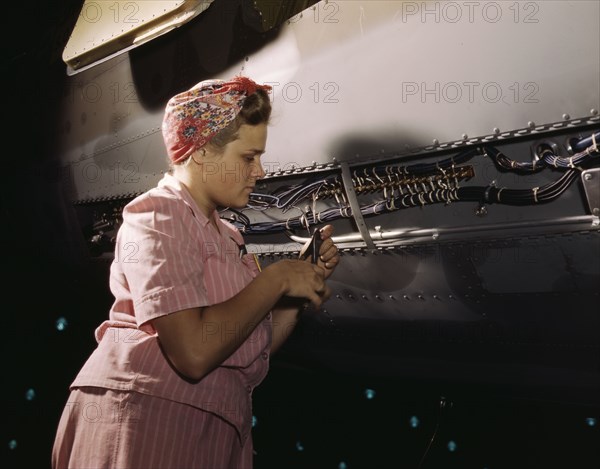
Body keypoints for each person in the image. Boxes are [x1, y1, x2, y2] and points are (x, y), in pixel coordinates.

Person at [52, 76, 340, 469]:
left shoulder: (228, 237)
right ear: (202, 151)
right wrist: (276, 278)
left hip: (211, 430)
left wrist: (296, 289)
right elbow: (193, 351)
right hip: (144, 421)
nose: (259, 171)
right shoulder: (157, 214)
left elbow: (247, 348)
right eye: (247, 157)